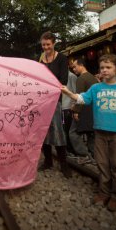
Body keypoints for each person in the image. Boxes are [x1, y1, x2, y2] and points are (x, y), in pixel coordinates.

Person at [61, 54, 116, 211]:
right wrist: (68, 92)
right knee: (102, 163)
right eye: (102, 67)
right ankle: (104, 193)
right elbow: (81, 99)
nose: (104, 70)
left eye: (108, 67)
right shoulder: (96, 88)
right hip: (100, 133)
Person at [39, 31, 72, 178]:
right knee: (42, 132)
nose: (46, 47)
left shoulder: (62, 58)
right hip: (40, 101)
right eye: (43, 45)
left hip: (54, 101)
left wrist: (47, 84)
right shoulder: (40, 59)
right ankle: (48, 161)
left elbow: (63, 80)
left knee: (58, 131)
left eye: (48, 44)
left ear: (54, 43)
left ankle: (64, 164)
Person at [69, 58, 98, 164]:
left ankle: (84, 154)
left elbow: (80, 97)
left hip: (84, 111)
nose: (74, 69)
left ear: (81, 65)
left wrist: (76, 111)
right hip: (93, 111)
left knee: (72, 133)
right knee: (91, 134)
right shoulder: (93, 77)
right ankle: (95, 157)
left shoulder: (81, 78)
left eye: (75, 67)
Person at [61, 69, 77, 154]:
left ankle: (71, 149)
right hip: (62, 107)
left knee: (68, 130)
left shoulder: (71, 76)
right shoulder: (60, 76)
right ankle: (67, 149)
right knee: (64, 129)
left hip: (68, 107)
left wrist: (73, 106)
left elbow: (75, 91)